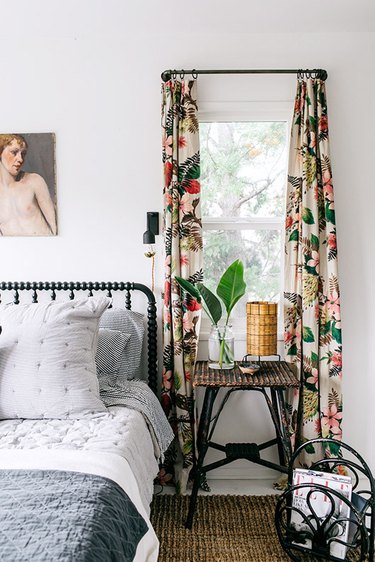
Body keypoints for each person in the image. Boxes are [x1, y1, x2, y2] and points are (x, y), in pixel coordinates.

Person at [0, 134, 57, 236]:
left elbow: (55, 227)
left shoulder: (34, 181)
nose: (20, 159)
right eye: (14, 152)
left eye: (23, 153)